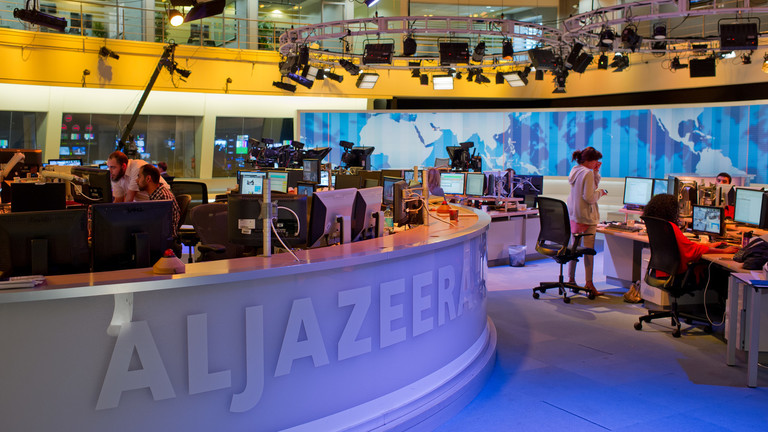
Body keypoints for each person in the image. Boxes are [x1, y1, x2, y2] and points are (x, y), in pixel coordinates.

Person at [566, 146, 606, 297]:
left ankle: (570, 279)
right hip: (587, 218)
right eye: (596, 161)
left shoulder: (575, 171)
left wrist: (595, 172)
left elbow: (589, 187)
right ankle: (589, 283)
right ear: (590, 160)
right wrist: (601, 193)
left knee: (573, 249)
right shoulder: (587, 173)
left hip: (575, 216)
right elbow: (589, 197)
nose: (597, 163)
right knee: (588, 252)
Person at [137, 163, 180, 239]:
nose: (136, 180)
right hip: (159, 239)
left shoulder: (162, 198)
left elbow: (161, 231)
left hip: (163, 243)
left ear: (148, 179)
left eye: (139, 177)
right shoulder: (156, 195)